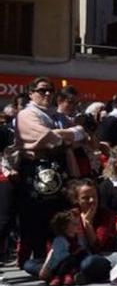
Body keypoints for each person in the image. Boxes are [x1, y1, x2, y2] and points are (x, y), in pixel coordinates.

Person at [14, 77, 86, 273]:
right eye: (42, 90)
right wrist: (66, 136)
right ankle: (40, 265)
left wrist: (65, 135)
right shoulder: (26, 114)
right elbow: (47, 136)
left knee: (60, 219)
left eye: (50, 90)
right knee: (38, 221)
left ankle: (60, 263)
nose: (47, 94)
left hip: (59, 172)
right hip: (37, 174)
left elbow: (82, 133)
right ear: (31, 93)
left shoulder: (56, 115)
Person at [69, 178, 117, 265]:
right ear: (76, 200)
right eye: (85, 198)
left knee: (90, 262)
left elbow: (97, 248)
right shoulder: (72, 215)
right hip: (79, 256)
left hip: (104, 256)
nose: (91, 200)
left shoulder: (106, 215)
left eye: (94, 197)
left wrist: (88, 223)